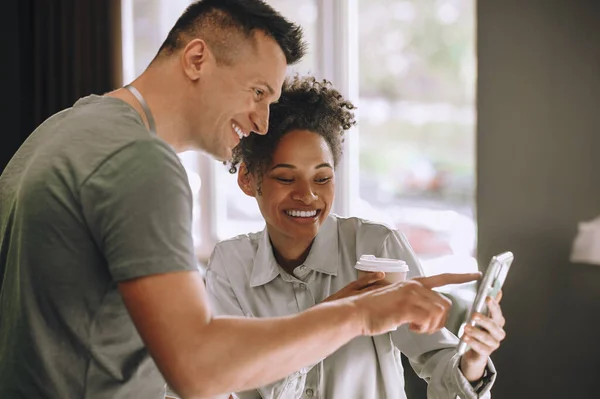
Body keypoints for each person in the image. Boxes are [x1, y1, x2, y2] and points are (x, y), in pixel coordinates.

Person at [0, 1, 479, 398]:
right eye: (257, 92)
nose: (263, 123)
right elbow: (199, 368)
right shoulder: (140, 161)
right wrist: (357, 314)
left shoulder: (59, 133)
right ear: (196, 59)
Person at [206, 76, 506, 399]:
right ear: (248, 179)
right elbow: (233, 381)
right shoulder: (230, 267)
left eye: (322, 178)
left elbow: (438, 361)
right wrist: (340, 314)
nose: (307, 195)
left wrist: (473, 360)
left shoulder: (378, 248)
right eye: (286, 177)